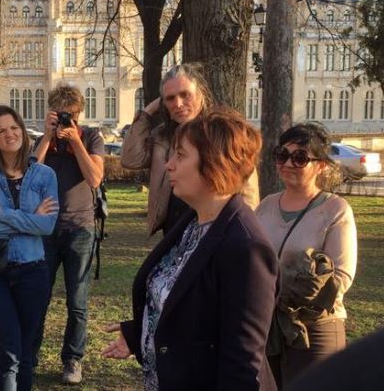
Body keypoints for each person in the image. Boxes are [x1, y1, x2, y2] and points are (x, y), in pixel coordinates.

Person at [103, 107, 278, 391]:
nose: (169, 165)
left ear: (214, 164)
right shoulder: (192, 221)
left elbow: (242, 364)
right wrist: (141, 334)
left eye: (180, 155)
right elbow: (193, 313)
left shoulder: (246, 247)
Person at [256, 123, 357, 389]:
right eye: (282, 155)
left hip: (316, 329)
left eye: (299, 157)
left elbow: (341, 277)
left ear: (321, 165)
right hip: (270, 327)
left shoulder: (335, 209)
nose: (288, 163)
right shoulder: (266, 205)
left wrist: (288, 291)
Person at [0, 105, 59, 391]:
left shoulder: (45, 175)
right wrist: (30, 220)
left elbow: (47, 227)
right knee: (8, 354)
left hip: (33, 271)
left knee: (27, 355)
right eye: (1, 130)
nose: (10, 134)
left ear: (22, 130)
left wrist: (3, 214)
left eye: (14, 127)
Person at [121, 63, 260, 236]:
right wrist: (148, 112)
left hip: (215, 231)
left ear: (200, 94)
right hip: (174, 231)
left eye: (185, 95)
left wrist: (241, 233)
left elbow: (248, 193)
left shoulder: (222, 135)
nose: (178, 104)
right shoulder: (162, 137)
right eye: (170, 98)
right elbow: (129, 158)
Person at [32, 84, 105, 384]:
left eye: (71, 115)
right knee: (38, 297)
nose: (65, 121)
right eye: (61, 114)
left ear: (79, 114)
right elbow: (29, 175)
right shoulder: (43, 141)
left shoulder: (91, 137)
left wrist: (76, 142)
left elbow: (95, 177)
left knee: (77, 301)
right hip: (46, 230)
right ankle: (30, 355)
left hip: (80, 229)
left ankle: (72, 360)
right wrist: (47, 137)